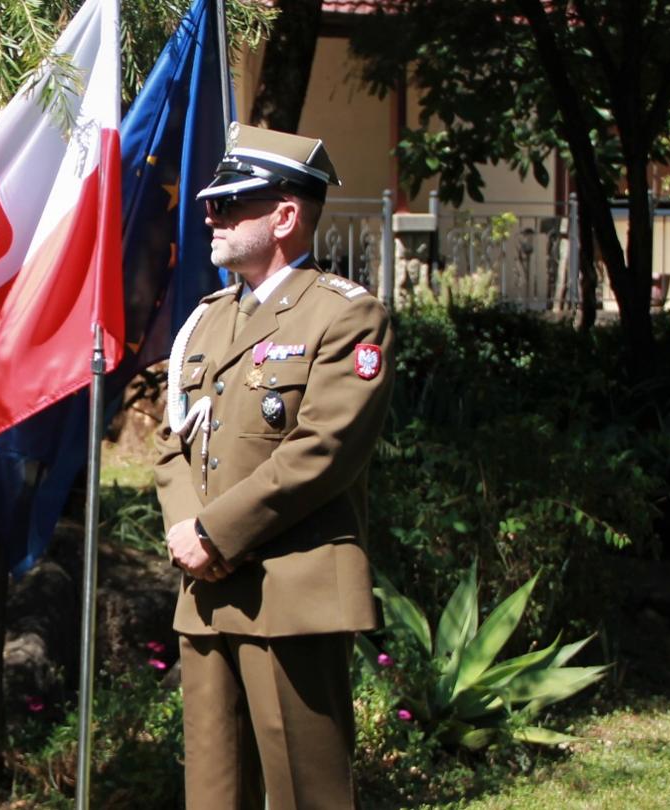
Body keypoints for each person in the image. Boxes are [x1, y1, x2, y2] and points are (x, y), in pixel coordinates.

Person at [154, 124, 394, 810]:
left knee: (305, 794)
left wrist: (215, 534)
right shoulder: (204, 321)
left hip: (292, 592)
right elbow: (174, 442)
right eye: (213, 203)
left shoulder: (345, 317)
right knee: (214, 793)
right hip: (204, 593)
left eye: (230, 203)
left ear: (284, 215)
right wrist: (186, 534)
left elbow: (323, 451)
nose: (211, 216)